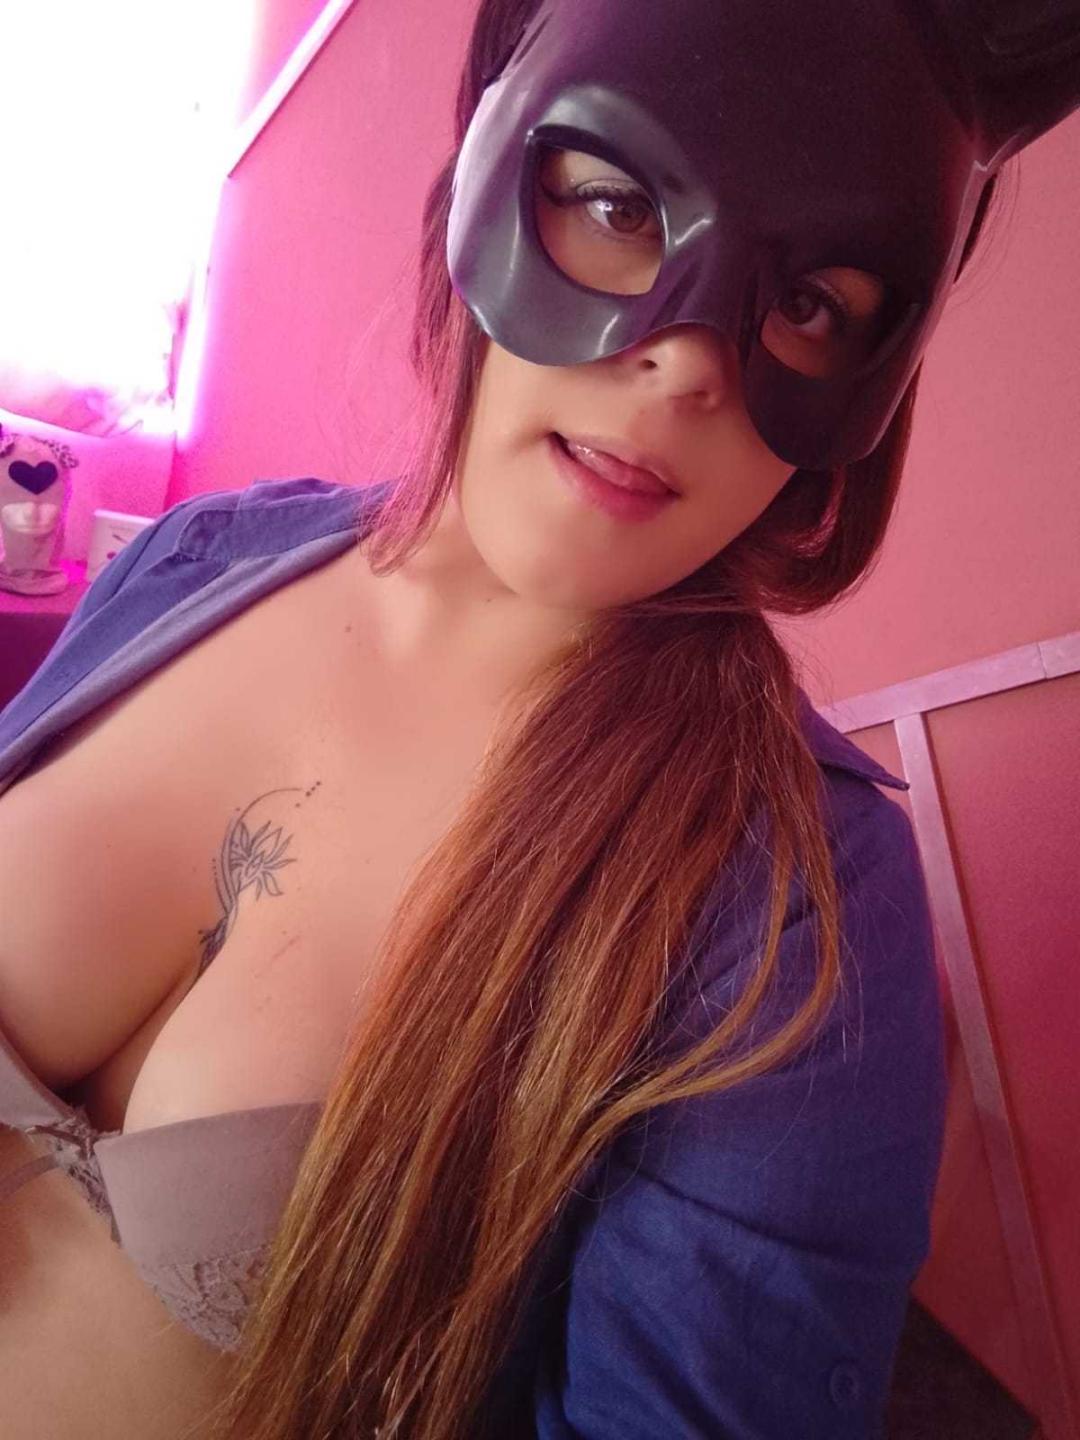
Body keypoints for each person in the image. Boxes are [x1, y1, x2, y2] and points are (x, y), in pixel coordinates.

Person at [0, 1, 1076, 1437]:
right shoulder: (205, 554)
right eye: (623, 207)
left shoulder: (795, 910)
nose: (690, 363)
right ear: (494, 156)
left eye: (814, 300)